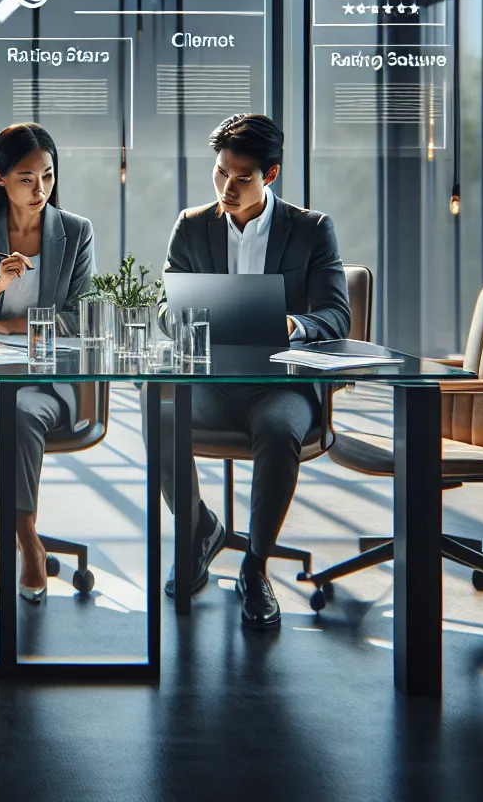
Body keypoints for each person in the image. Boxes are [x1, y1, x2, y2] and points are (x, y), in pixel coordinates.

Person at [148, 113, 350, 631]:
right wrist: (188, 317)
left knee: (279, 430)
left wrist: (292, 324)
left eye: (242, 178)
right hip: (212, 380)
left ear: (271, 175)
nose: (227, 188)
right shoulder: (192, 225)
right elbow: (166, 309)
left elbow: (336, 316)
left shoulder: (310, 230)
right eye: (221, 173)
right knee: (160, 414)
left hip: (281, 384)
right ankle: (198, 529)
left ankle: (255, 565)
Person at [0, 123, 96, 602]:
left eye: (48, 176)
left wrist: (14, 325)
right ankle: (23, 534)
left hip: (44, 379)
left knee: (23, 415)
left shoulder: (75, 232)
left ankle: (22, 539)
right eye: (27, 178)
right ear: (0, 177)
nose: (40, 189)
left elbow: (82, 316)